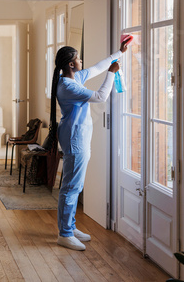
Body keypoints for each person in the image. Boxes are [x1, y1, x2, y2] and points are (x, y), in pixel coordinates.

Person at [49, 40, 129, 251]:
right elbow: (101, 97)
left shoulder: (71, 78)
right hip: (75, 139)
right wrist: (112, 74)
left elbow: (96, 67)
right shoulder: (68, 86)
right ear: (71, 64)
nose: (81, 60)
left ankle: (70, 227)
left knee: (75, 186)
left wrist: (118, 53)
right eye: (78, 57)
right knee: (71, 187)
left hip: (77, 136)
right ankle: (64, 234)